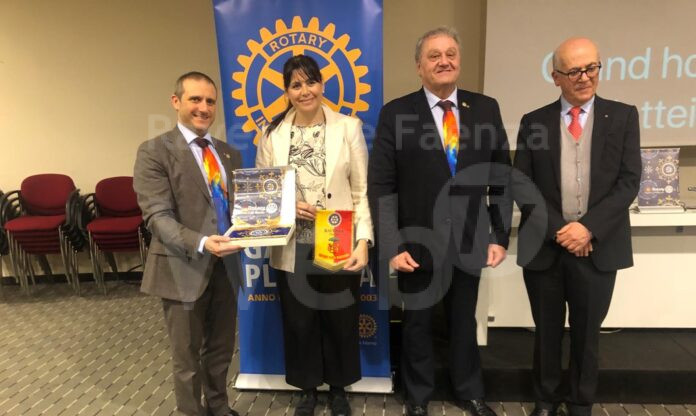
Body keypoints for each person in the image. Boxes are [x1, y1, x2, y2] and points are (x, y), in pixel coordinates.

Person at [367, 27, 511, 416]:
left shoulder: (486, 109)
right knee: (417, 324)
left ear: (459, 60)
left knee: (464, 321)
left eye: (450, 54)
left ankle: (470, 391)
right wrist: (391, 244)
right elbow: (381, 185)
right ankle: (417, 397)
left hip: (470, 239)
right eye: (434, 56)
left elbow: (501, 177)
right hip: (416, 243)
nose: (444, 61)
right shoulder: (396, 113)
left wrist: (499, 235)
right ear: (419, 66)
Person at [512, 37, 641, 416]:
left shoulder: (623, 117)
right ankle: (546, 400)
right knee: (547, 332)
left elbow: (629, 181)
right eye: (573, 71)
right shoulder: (533, 122)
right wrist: (560, 230)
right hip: (546, 247)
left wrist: (587, 229)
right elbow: (522, 183)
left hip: (598, 247)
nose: (584, 77)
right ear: (556, 76)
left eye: (591, 68)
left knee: (587, 335)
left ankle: (581, 403)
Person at [255, 54, 373, 416]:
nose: (304, 91)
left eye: (310, 82)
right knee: (299, 320)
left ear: (322, 84)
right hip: (293, 241)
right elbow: (263, 193)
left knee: (340, 317)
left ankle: (338, 388)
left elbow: (361, 191)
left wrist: (363, 241)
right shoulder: (272, 135)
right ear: (286, 92)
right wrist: (287, 207)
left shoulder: (348, 127)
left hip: (337, 235)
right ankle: (307, 388)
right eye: (296, 85)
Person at [133, 71, 243, 416]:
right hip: (182, 268)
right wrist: (202, 242)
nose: (203, 108)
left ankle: (219, 406)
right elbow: (157, 217)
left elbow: (242, 209)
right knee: (187, 357)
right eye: (195, 99)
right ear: (176, 101)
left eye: (210, 101)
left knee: (221, 349)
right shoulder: (154, 152)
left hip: (227, 266)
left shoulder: (228, 154)